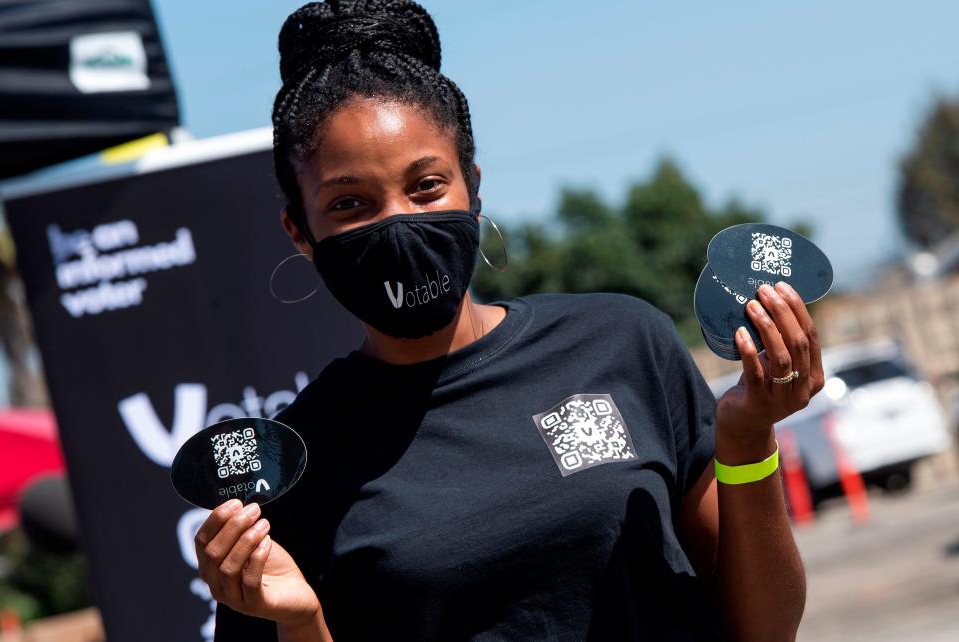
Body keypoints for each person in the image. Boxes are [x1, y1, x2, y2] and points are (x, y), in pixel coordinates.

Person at [197, 2, 817, 640]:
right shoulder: (291, 467)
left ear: (474, 187)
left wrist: (746, 441)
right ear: (300, 231)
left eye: (427, 187)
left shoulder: (623, 343)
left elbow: (763, 631)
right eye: (350, 203)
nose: (399, 225)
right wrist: (301, 625)